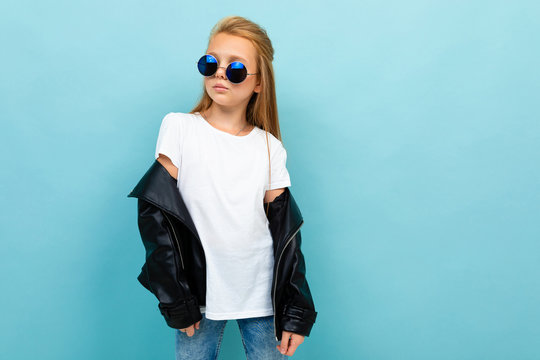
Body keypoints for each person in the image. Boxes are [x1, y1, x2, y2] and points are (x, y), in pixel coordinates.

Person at [128, 15, 317, 359]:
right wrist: (174, 295)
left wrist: (296, 310)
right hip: (199, 296)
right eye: (211, 62)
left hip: (260, 293)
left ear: (258, 83)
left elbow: (286, 232)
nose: (220, 73)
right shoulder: (179, 128)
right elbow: (156, 214)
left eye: (236, 69)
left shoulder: (269, 147)